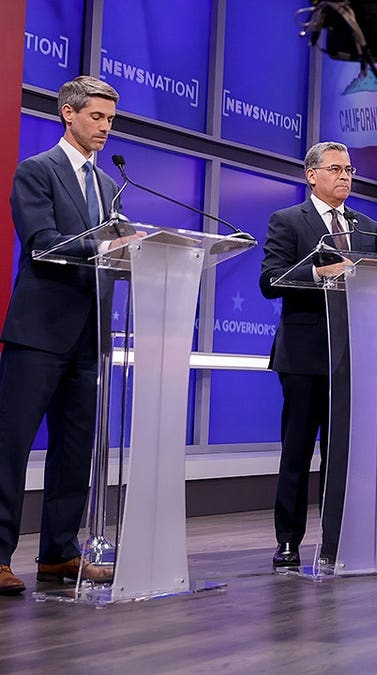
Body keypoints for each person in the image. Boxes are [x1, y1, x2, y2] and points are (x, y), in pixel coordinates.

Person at [0, 76, 144, 595]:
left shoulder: (109, 187)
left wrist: (139, 247)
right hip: (38, 332)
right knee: (10, 447)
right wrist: (110, 245)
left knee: (76, 447)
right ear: (68, 113)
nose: (106, 128)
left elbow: (114, 250)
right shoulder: (37, 171)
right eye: (97, 117)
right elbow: (42, 242)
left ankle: (58, 555)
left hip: (90, 335)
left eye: (110, 119)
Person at [259, 141, 377, 568]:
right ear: (312, 175)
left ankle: (339, 538)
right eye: (336, 169)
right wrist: (318, 272)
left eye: (349, 169)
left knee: (344, 453)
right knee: (297, 450)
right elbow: (271, 279)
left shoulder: (367, 226)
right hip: (304, 354)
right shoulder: (288, 221)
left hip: (354, 354)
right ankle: (289, 540)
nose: (346, 176)